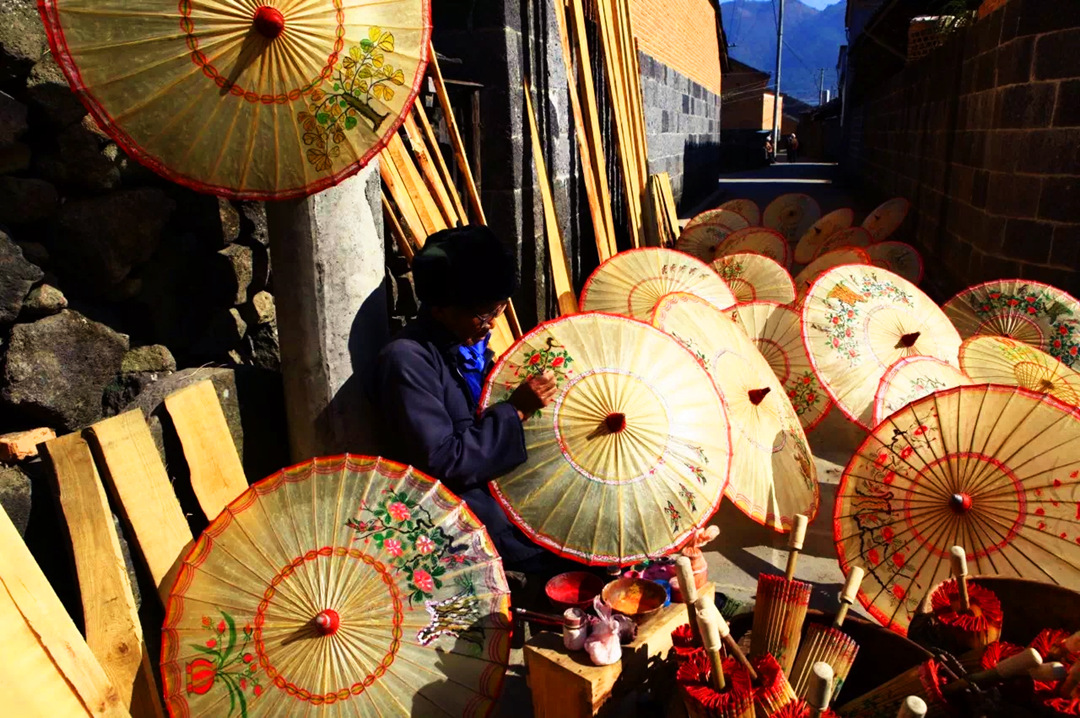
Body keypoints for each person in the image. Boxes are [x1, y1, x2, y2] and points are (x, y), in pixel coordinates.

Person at [372, 225, 574, 579]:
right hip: (462, 510)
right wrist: (515, 410)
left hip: (502, 488)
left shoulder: (467, 344)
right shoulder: (407, 360)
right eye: (484, 315)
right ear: (439, 308)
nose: (492, 325)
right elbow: (444, 461)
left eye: (498, 311)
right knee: (551, 566)